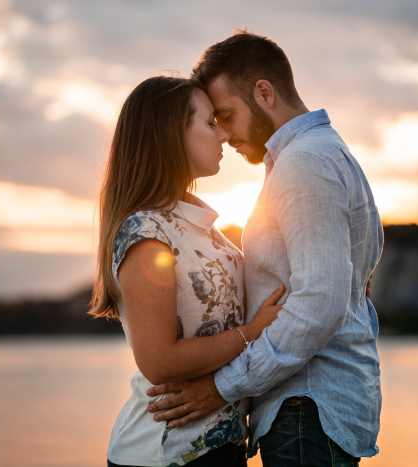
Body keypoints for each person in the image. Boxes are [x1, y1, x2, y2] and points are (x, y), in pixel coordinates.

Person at [145, 31, 383, 467]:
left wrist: (222, 387)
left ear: (264, 93)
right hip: (311, 410)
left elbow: (320, 304)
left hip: (305, 408)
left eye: (227, 115)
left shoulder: (304, 162)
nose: (225, 133)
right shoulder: (326, 153)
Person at [89, 75, 287, 467]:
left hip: (220, 446)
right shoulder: (146, 233)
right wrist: (251, 333)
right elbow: (159, 361)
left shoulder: (199, 225)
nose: (224, 135)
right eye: (211, 122)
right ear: (171, 135)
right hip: (164, 453)